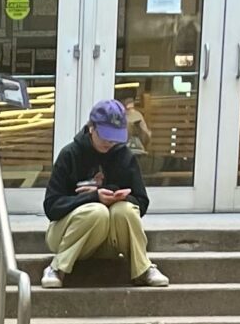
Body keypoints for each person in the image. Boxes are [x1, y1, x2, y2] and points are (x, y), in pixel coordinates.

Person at [41, 100, 169, 289]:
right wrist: (92, 197)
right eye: (105, 136)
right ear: (91, 128)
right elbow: (51, 207)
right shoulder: (70, 154)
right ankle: (57, 267)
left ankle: (143, 268)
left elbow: (141, 202)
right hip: (66, 236)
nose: (109, 143)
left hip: (110, 240)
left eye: (114, 137)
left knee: (125, 210)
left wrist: (120, 197)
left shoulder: (124, 155)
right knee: (96, 211)